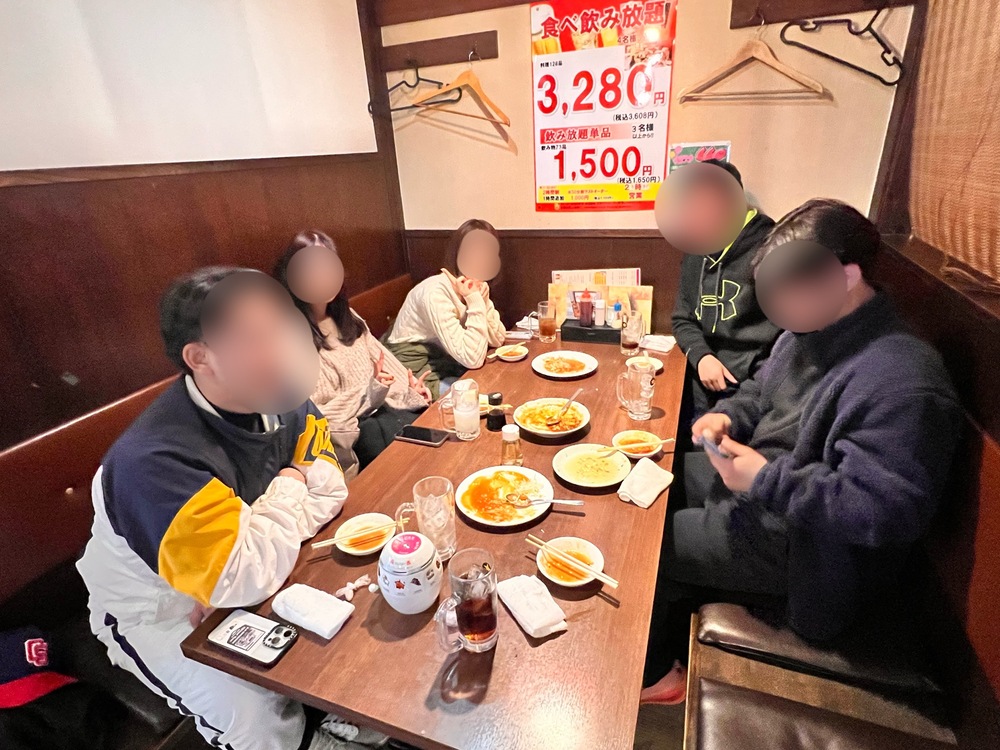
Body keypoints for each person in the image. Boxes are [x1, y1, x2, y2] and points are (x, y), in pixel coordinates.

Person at [641, 199, 962, 704]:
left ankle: (658, 675)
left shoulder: (903, 379)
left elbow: (887, 513)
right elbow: (760, 389)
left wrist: (765, 479)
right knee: (658, 480)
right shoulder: (809, 328)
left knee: (645, 548)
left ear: (847, 276)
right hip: (764, 493)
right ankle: (670, 622)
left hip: (804, 551)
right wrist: (729, 416)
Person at [76, 268, 386, 750]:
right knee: (253, 710)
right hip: (160, 610)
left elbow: (329, 488)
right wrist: (289, 484)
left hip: (247, 567)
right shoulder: (154, 460)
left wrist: (246, 559)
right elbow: (243, 572)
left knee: (352, 620)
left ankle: (327, 720)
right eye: (254, 338)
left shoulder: (283, 397)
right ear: (201, 358)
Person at [275, 230, 432, 479]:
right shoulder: (291, 338)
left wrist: (410, 391)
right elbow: (316, 416)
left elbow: (387, 371)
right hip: (353, 441)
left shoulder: (348, 316)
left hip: (387, 419)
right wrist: (370, 392)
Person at [667, 160, 781, 424]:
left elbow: (786, 341)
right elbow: (683, 318)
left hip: (752, 392)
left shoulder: (773, 250)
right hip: (701, 381)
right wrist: (702, 356)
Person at [384, 219, 506, 397]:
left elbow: (498, 339)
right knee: (478, 397)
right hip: (415, 372)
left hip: (448, 361)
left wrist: (482, 301)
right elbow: (473, 359)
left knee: (500, 384)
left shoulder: (474, 287)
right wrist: (475, 301)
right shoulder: (435, 292)